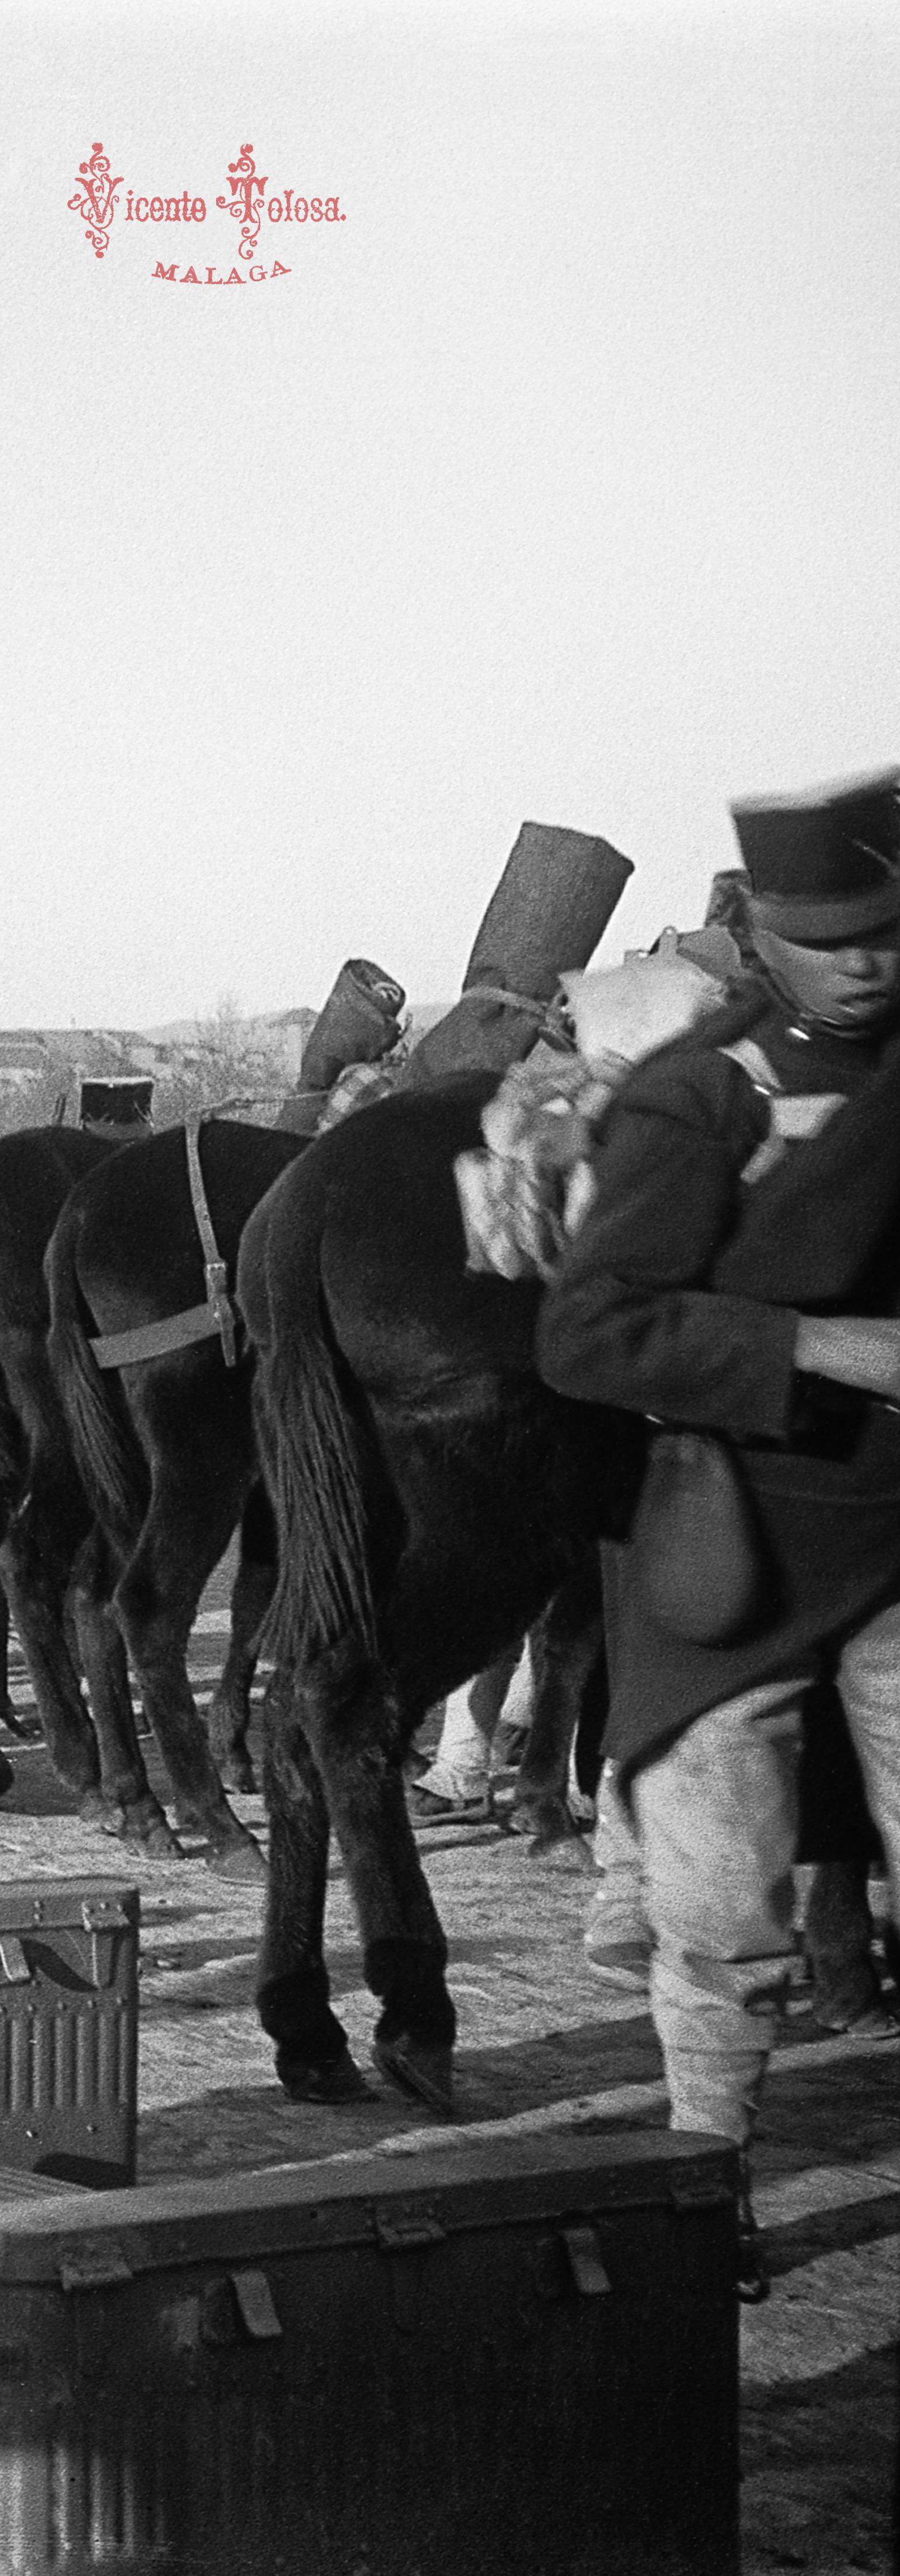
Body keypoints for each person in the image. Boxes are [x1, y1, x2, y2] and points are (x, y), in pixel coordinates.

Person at [538, 770, 900, 2282]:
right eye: (829, 939)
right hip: (735, 1536)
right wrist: (818, 1348)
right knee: (716, 1903)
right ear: (766, 940)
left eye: (886, 930)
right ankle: (709, 2175)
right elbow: (589, 1336)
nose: (867, 962)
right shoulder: (702, 1093)